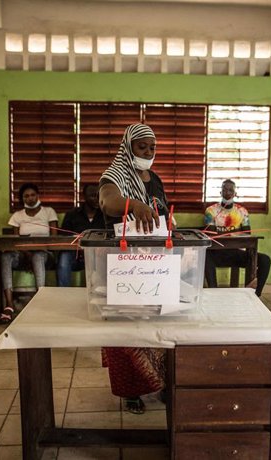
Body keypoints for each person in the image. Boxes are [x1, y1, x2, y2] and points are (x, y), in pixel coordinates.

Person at [98, 123, 169, 414]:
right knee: (126, 329)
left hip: (155, 262)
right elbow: (108, 201)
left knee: (159, 327)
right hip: (123, 263)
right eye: (142, 147)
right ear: (128, 146)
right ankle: (130, 392)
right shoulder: (114, 174)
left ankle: (162, 383)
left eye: (152, 147)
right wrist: (134, 205)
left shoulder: (155, 178)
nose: (148, 152)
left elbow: (162, 211)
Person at [0, 183, 58, 323]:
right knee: (6, 256)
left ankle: (40, 301)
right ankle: (9, 304)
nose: (30, 198)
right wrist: (27, 253)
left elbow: (55, 239)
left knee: (37, 256)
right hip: (23, 254)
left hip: (44, 254)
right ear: (22, 199)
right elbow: (15, 242)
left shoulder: (49, 212)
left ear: (38, 196)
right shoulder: (17, 216)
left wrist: (36, 252)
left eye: (32, 195)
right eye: (26, 196)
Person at [203, 179, 271, 297]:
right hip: (216, 254)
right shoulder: (211, 211)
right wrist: (235, 233)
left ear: (235, 193)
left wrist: (230, 233)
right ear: (220, 192)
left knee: (265, 260)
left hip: (236, 253)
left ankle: (256, 294)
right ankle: (213, 293)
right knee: (205, 257)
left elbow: (247, 235)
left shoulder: (242, 211)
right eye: (225, 189)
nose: (227, 192)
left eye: (231, 190)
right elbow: (212, 234)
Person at [56, 183, 105, 287]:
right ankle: (63, 293)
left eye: (99, 196)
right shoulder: (72, 214)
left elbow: (110, 235)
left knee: (100, 257)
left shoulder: (105, 215)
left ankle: (96, 292)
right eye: (92, 196)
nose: (97, 199)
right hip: (74, 255)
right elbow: (63, 236)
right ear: (84, 197)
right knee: (64, 258)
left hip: (98, 255)